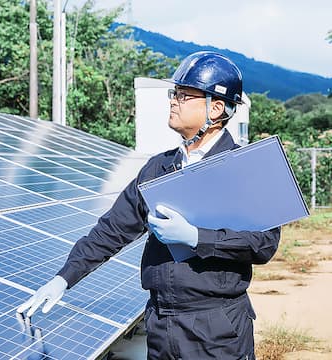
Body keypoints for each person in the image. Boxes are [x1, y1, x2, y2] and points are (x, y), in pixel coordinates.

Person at [17, 51, 280, 359]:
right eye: (174, 93)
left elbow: (263, 244)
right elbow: (112, 230)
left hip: (215, 328)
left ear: (216, 107)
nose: (173, 101)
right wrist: (63, 278)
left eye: (184, 95)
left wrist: (197, 237)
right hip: (161, 323)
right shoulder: (159, 168)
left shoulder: (244, 170)